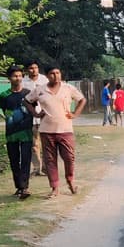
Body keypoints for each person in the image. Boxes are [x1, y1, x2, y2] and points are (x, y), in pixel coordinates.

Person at [24, 65, 86, 198]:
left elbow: (82, 100)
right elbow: (27, 100)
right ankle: (55, 187)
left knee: (69, 158)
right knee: (50, 160)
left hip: (65, 130)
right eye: (52, 73)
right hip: (46, 130)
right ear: (46, 76)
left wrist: (75, 114)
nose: (56, 76)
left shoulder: (68, 88)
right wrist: (35, 113)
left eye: (58, 73)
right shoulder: (40, 90)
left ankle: (70, 181)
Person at [0, 65, 33, 200]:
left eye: (19, 75)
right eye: (14, 76)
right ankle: (18, 186)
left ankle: (24, 187)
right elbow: (5, 113)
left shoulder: (28, 93)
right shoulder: (4, 96)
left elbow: (32, 110)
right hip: (11, 134)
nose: (17, 78)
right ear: (9, 78)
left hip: (27, 133)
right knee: (14, 160)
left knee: (26, 159)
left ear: (22, 77)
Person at [21, 60, 49, 177]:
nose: (34, 70)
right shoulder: (23, 82)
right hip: (30, 117)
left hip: (44, 115)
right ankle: (37, 168)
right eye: (31, 68)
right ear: (27, 70)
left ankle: (46, 168)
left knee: (46, 143)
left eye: (36, 67)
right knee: (34, 144)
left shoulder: (44, 80)